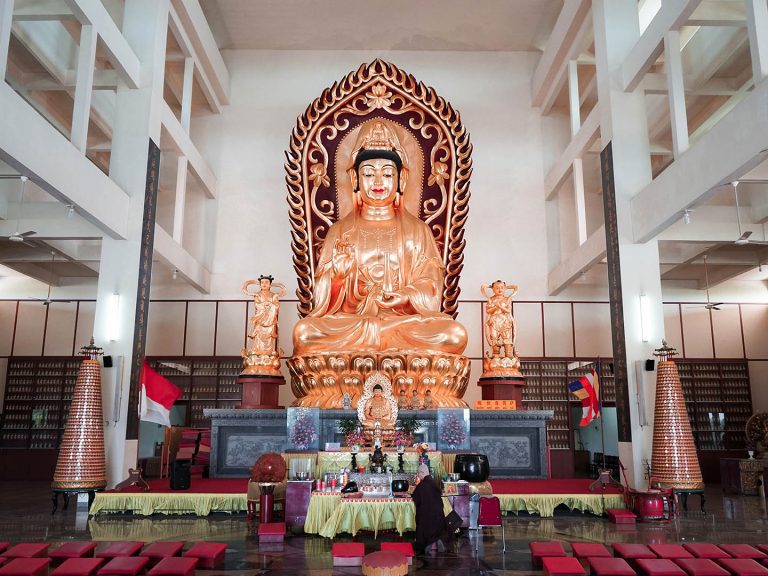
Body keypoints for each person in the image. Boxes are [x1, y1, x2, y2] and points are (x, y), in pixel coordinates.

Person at [292, 120, 468, 356]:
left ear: (401, 179)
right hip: (353, 324)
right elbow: (323, 304)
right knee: (305, 333)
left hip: (402, 322)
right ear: (355, 179)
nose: (377, 182)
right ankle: (383, 341)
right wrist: (339, 278)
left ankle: (378, 341)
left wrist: (405, 296)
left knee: (453, 334)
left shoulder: (418, 231)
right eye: (368, 173)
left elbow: (431, 287)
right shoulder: (340, 231)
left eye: (386, 174)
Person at [412, 464, 448, 553]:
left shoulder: (421, 485)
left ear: (422, 472)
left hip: (427, 518)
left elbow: (416, 498)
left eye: (418, 473)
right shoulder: (434, 483)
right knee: (437, 527)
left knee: (422, 521)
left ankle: (427, 544)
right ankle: (438, 540)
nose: (418, 475)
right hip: (438, 516)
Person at [483, 280, 518, 358]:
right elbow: (488, 311)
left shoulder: (507, 299)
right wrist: (495, 307)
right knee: (494, 339)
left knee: (507, 339)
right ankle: (495, 356)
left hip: (505, 321)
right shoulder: (490, 299)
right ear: (493, 289)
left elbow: (508, 310)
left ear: (505, 289)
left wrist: (500, 306)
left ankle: (509, 356)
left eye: (502, 288)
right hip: (494, 321)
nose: (500, 290)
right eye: (497, 288)